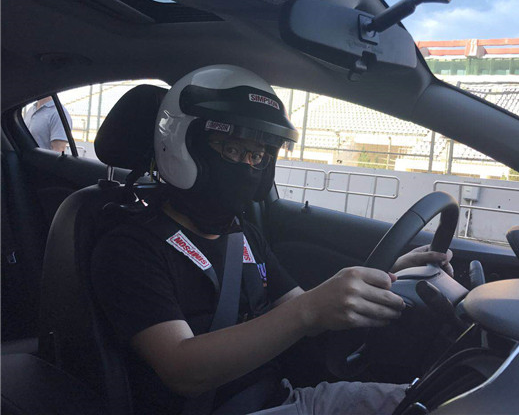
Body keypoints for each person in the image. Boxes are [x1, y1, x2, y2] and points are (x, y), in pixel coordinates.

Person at [91, 65, 453, 415]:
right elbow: (182, 370)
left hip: (288, 398)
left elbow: (306, 307)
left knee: (444, 398)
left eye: (259, 155)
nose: (249, 166)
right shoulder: (130, 247)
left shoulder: (242, 234)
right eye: (233, 150)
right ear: (182, 145)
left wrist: (388, 275)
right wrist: (306, 312)